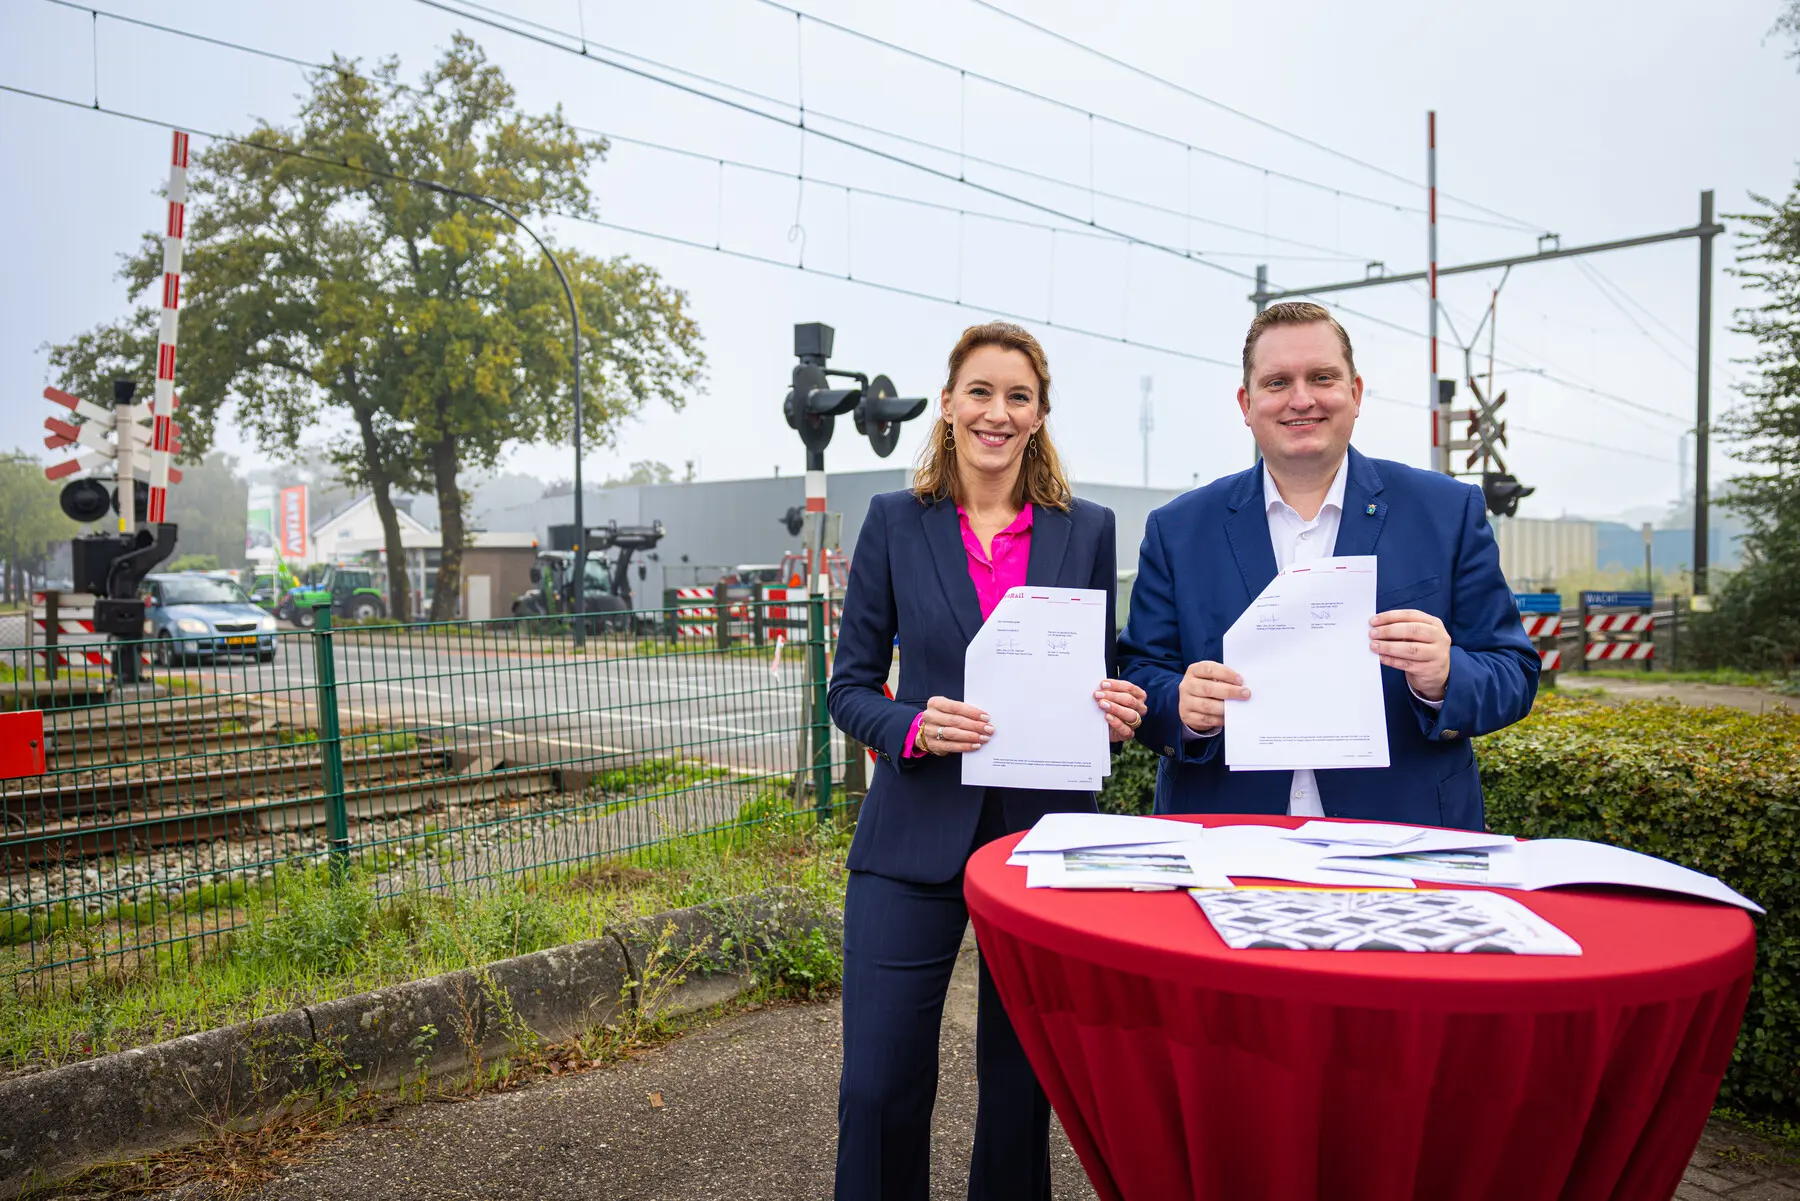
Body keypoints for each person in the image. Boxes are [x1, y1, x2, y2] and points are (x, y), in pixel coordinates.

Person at [828, 321, 1147, 1201]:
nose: (996, 412)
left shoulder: (1087, 529)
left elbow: (1098, 666)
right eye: (980, 392)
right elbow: (850, 688)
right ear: (948, 404)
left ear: (1040, 415)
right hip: (911, 835)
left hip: (1042, 841)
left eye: (1017, 396)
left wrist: (1116, 703)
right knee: (879, 1083)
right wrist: (912, 729)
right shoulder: (897, 521)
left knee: (1020, 1091)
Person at [1118, 302, 1538, 829]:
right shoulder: (1178, 529)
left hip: (1404, 836)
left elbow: (1514, 672)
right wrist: (1180, 706)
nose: (1301, 399)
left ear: (1355, 394)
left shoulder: (1447, 512)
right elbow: (1138, 676)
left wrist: (1447, 675)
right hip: (1224, 837)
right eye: (1277, 383)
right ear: (1246, 404)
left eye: (1322, 377)